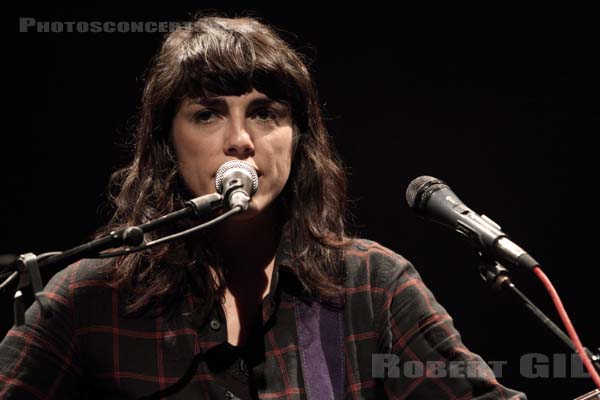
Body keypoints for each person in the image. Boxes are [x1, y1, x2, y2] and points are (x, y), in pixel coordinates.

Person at [0, 14, 527, 399]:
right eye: (207, 115)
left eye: (264, 113)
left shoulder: (372, 284)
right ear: (167, 143)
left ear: (299, 138)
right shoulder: (89, 297)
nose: (240, 141)